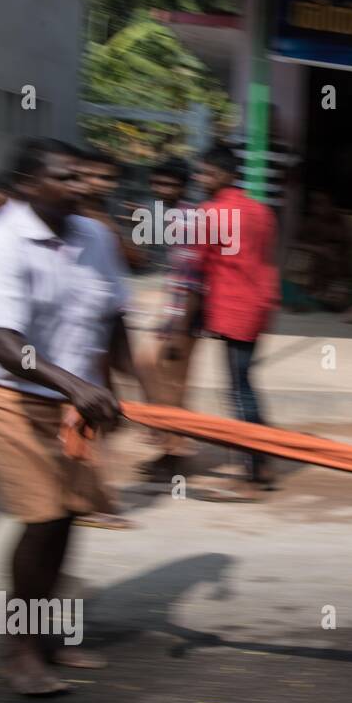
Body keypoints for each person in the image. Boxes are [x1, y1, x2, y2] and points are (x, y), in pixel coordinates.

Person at [0, 137, 139, 694]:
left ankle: (45, 636)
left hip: (76, 401)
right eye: (67, 178)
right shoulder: (1, 242)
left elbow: (114, 314)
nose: (82, 186)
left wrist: (132, 388)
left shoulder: (94, 234)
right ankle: (20, 652)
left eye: (83, 177)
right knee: (43, 514)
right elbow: (3, 342)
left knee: (70, 514)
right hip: (7, 397)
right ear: (29, 185)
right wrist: (75, 385)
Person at [189, 143, 281, 496]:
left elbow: (197, 267)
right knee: (245, 381)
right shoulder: (261, 211)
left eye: (206, 173)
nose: (201, 179)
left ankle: (258, 461)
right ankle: (259, 456)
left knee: (239, 388)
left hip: (232, 309)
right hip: (258, 306)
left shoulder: (209, 213)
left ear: (225, 174)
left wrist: (186, 318)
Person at [139, 157, 201, 478]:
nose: (162, 190)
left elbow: (192, 282)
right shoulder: (172, 216)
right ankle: (169, 443)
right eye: (158, 183)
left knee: (173, 386)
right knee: (153, 370)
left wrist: (178, 329)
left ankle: (175, 453)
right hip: (176, 315)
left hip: (185, 320)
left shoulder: (188, 219)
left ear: (183, 186)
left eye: (169, 184)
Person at [78, 148, 145, 271]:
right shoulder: (69, 211)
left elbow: (136, 261)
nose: (111, 185)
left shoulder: (111, 210)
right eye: (104, 178)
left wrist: (136, 227)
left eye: (112, 179)